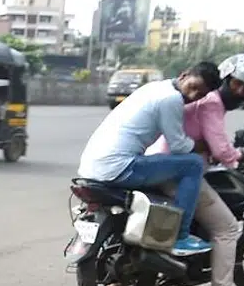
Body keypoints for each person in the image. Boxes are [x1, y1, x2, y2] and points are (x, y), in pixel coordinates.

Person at [148, 54, 244, 286]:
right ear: (224, 78)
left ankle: (124, 278)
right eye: (236, 84)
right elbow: (222, 149)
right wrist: (240, 156)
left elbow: (205, 140)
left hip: (157, 161)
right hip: (178, 171)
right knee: (227, 229)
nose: (240, 92)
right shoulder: (212, 103)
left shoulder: (200, 99)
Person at [77, 62, 222, 254]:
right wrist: (205, 146)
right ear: (184, 76)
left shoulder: (153, 88)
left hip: (91, 167)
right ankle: (180, 236)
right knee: (193, 164)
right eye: (193, 88)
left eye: (201, 95)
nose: (193, 96)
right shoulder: (171, 99)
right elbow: (179, 146)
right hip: (120, 167)